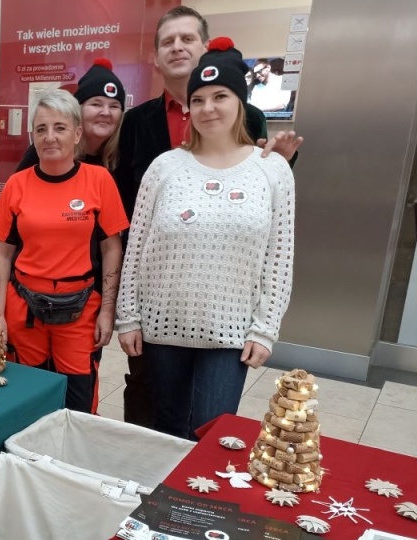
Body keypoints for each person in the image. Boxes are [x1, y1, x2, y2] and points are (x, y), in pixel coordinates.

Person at [115, 6, 304, 429]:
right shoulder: (164, 167)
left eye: (221, 97)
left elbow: (279, 258)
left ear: (240, 103)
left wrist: (264, 329)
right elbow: (137, 248)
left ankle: (198, 498)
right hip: (164, 326)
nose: (208, 108)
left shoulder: (271, 169)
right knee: (163, 428)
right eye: (198, 99)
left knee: (212, 432)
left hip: (230, 331)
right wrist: (128, 316)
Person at [0, 88, 130, 413]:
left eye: (60, 127)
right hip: (25, 311)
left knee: (78, 403)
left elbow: (112, 248)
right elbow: (3, 253)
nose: (50, 137)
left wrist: (107, 311)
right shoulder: (17, 185)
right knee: (27, 397)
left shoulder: (99, 180)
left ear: (77, 133)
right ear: (33, 136)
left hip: (80, 312)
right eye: (41, 129)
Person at [0, 58, 127, 292]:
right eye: (96, 104)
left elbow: (112, 240)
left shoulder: (119, 158)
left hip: (87, 289)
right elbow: (11, 215)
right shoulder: (42, 153)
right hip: (33, 284)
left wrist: (106, 303)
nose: (105, 113)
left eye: (114, 106)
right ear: (78, 111)